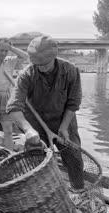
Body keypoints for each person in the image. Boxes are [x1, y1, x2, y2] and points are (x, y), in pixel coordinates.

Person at [6, 34, 84, 191]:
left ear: (54, 57)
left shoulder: (71, 71)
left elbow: (73, 102)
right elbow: (13, 107)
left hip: (64, 122)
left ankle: (78, 192)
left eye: (44, 64)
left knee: (74, 159)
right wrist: (28, 130)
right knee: (36, 162)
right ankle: (42, 195)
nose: (40, 68)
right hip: (36, 125)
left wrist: (63, 127)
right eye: (37, 64)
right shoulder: (26, 75)